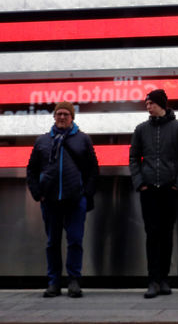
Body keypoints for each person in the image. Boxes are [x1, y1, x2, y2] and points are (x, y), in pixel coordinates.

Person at [26, 101, 99, 298]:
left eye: (66, 114)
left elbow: (93, 169)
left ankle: (74, 281)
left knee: (75, 241)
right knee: (52, 243)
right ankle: (54, 282)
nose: (62, 117)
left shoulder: (83, 139)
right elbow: (32, 170)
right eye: (59, 114)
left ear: (72, 117)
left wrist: (86, 193)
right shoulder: (42, 141)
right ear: (54, 116)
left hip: (75, 200)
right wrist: (37, 193)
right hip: (49, 201)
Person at [129, 89, 178, 299]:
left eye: (151, 103)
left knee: (166, 234)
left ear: (161, 104)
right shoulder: (141, 129)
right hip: (149, 191)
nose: (148, 107)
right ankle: (153, 280)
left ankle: (163, 278)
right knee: (152, 235)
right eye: (147, 104)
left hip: (169, 190)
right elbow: (133, 158)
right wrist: (140, 183)